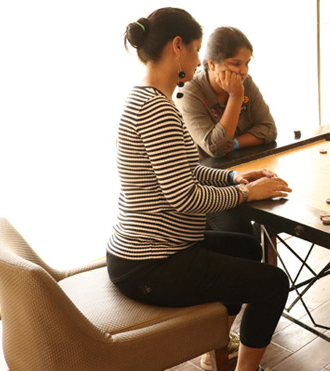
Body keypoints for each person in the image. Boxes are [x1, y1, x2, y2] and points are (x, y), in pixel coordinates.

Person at [108, 8, 291, 371]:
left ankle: (216, 343)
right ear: (177, 47)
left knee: (247, 248)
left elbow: (187, 170)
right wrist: (246, 194)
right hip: (151, 265)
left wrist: (234, 178)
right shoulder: (158, 110)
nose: (197, 61)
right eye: (195, 50)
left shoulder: (144, 99)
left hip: (144, 255)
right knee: (274, 283)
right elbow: (185, 198)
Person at [176, 26, 276, 159]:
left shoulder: (246, 82)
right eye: (236, 64)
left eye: (246, 64)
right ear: (212, 65)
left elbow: (269, 130)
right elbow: (216, 148)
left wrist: (234, 144)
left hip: (245, 165)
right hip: (210, 174)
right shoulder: (189, 91)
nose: (244, 71)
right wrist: (236, 97)